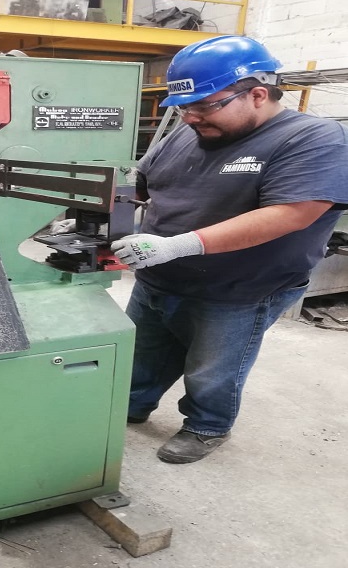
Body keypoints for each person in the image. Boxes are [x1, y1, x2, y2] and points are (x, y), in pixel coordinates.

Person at [110, 35, 348, 464]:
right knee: (142, 352)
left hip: (239, 288)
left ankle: (207, 426)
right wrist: (102, 215)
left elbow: (291, 214)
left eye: (204, 105)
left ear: (257, 94)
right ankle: (131, 403)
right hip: (159, 275)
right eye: (183, 107)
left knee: (213, 367)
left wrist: (178, 245)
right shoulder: (185, 135)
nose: (190, 117)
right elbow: (141, 186)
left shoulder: (312, 138)